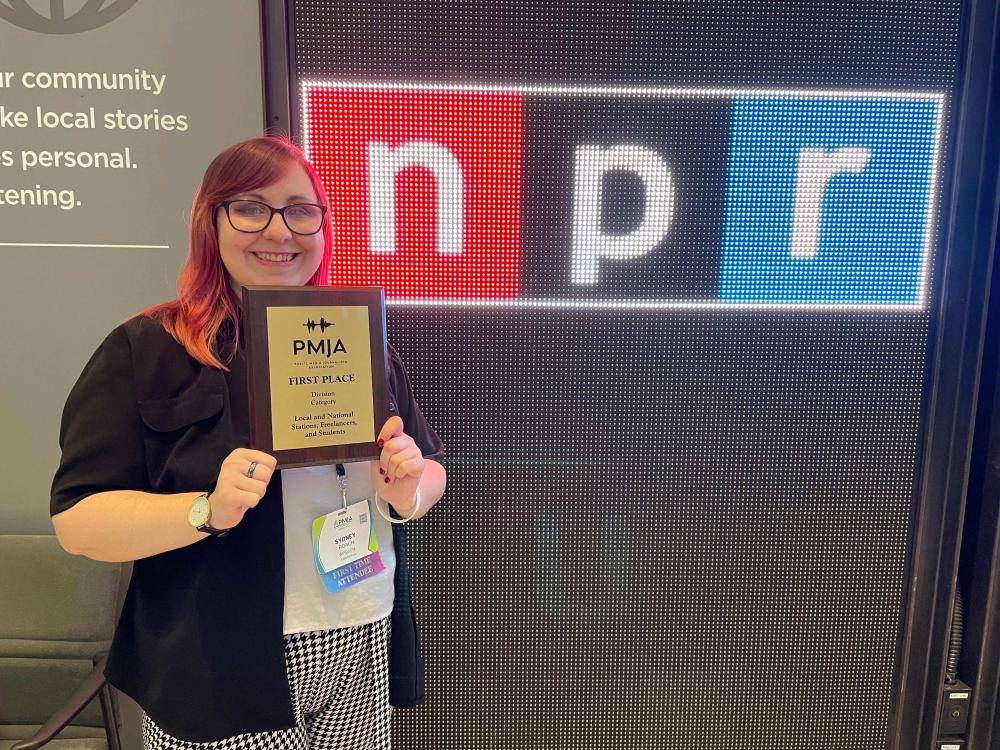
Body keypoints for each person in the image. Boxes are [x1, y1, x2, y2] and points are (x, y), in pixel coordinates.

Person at [50, 135, 446, 749]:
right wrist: (206, 511)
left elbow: (428, 474)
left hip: (363, 628)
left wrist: (407, 488)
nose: (279, 231)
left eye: (300, 209)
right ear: (212, 222)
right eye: (251, 208)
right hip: (220, 656)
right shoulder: (148, 349)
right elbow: (78, 522)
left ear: (322, 223)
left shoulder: (357, 335)